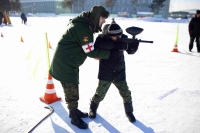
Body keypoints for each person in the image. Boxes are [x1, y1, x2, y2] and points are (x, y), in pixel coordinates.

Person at [49, 6, 111, 129]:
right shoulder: (83, 29)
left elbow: (88, 49)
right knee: (71, 90)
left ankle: (74, 110)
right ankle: (73, 116)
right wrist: (109, 54)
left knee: (72, 88)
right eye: (103, 18)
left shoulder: (84, 25)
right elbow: (90, 51)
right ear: (97, 16)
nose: (104, 21)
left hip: (69, 62)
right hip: (65, 65)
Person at [88, 19, 139, 123]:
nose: (118, 38)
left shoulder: (123, 38)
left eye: (120, 35)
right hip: (106, 72)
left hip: (119, 72)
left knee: (126, 93)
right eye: (115, 36)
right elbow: (97, 46)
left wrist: (134, 45)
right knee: (100, 94)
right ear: (109, 35)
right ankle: (92, 109)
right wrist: (115, 45)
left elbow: (130, 51)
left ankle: (129, 112)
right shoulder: (102, 38)